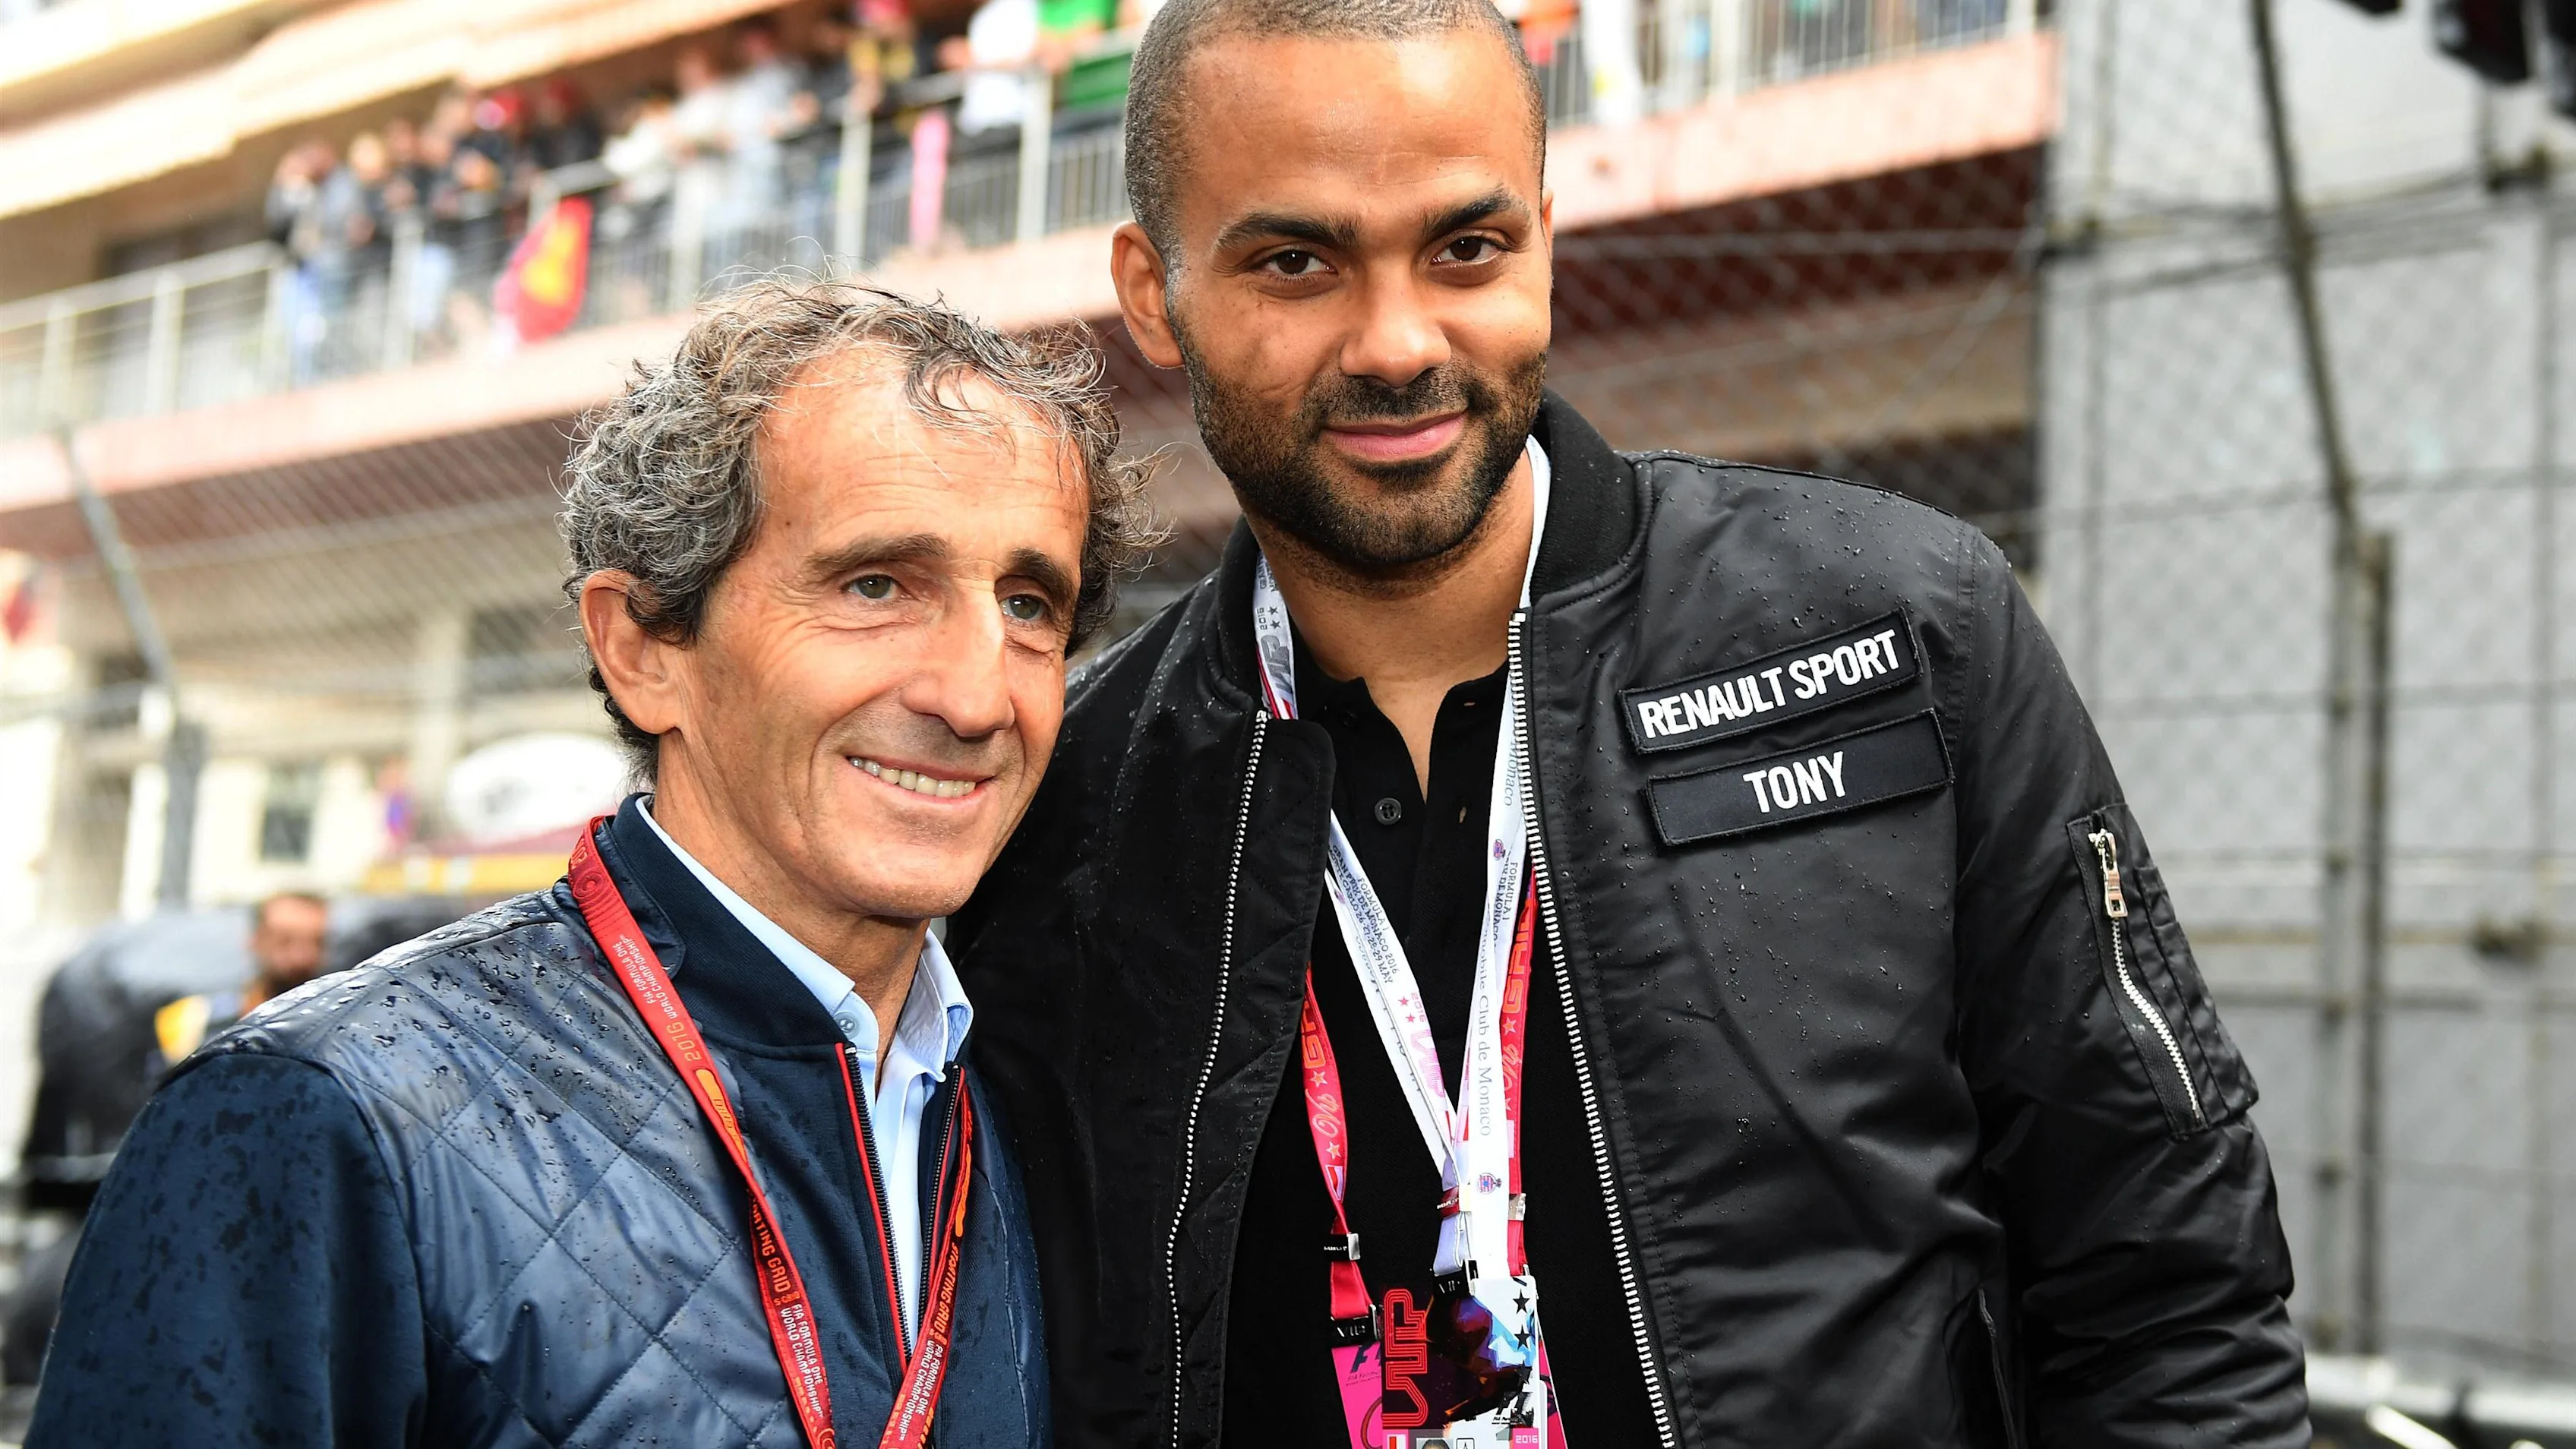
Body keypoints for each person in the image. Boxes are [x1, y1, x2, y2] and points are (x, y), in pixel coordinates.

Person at [945, 2, 2311, 1447]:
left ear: (1542, 232)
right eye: (1297, 261)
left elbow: (2169, 1298)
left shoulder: (1897, 632)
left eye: (1465, 248)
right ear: (1154, 294)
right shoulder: (1070, 804)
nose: (1398, 342)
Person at [29, 283, 1158, 1447]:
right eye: (875, 586)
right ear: (640, 648)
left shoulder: (1045, 1108)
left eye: (1029, 606)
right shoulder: (315, 1117)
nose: (977, 696)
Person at [149, 892, 330, 1070]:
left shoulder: (334, 1031)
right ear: (255, 941)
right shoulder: (191, 1021)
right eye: (284, 941)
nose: (302, 957)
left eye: (317, 942)